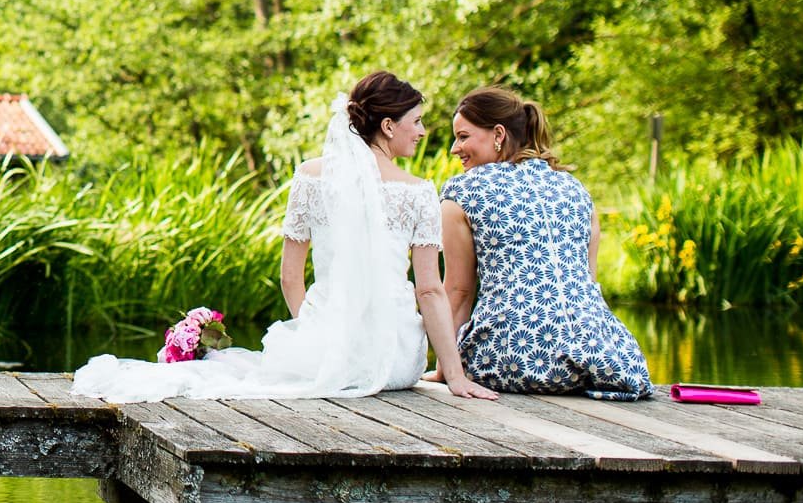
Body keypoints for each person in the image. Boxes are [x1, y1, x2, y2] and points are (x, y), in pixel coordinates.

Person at [74, 71, 498, 402]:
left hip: (320, 350)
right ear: (388, 126)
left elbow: (290, 278)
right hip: (393, 362)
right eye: (417, 121)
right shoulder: (418, 192)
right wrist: (455, 377)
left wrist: (317, 334)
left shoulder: (312, 178)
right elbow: (430, 292)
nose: (423, 132)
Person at [441, 86, 652, 402]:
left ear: (498, 134)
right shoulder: (575, 189)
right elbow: (588, 285)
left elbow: (458, 293)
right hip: (599, 357)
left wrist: (447, 370)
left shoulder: (461, 192)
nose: (455, 149)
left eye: (463, 136)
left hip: (507, 358)